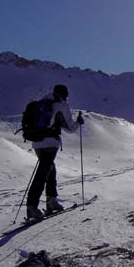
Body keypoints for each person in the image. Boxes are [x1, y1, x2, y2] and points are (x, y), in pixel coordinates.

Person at [26, 84, 84, 220]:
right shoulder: (61, 105)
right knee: (42, 173)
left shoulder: (42, 102)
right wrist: (78, 122)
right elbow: (69, 128)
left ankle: (51, 201)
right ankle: (32, 207)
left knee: (49, 169)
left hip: (36, 142)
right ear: (64, 94)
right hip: (50, 142)